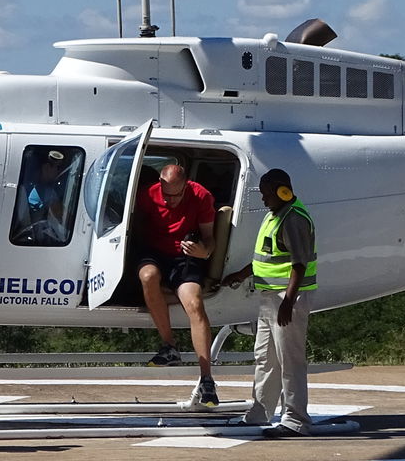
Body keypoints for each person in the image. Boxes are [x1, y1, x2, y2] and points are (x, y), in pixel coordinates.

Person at [217, 168, 317, 438]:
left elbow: (299, 263)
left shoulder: (294, 219)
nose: (263, 199)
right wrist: (240, 275)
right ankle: (260, 412)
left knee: (290, 360)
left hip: (288, 300)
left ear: (282, 191)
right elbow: (269, 256)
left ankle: (296, 420)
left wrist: (289, 300)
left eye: (266, 193)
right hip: (269, 299)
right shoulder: (275, 215)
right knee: (266, 357)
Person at [133, 162, 220, 407]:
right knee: (148, 277)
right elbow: (137, 228)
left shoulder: (201, 196)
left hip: (185, 255)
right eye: (167, 196)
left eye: (178, 195)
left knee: (195, 304)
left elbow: (210, 240)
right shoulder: (148, 195)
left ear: (186, 186)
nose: (172, 201)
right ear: (159, 184)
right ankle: (169, 345)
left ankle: (207, 378)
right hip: (154, 252)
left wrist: (203, 252)